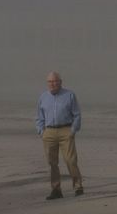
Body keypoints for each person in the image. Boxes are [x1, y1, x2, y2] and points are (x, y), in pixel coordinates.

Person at [35, 71, 84, 199]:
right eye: (50, 81)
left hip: (65, 130)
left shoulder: (69, 95)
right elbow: (39, 117)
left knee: (70, 160)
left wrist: (73, 130)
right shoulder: (43, 97)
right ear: (47, 83)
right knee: (52, 163)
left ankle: (78, 187)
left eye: (55, 81)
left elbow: (77, 115)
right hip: (49, 132)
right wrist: (41, 131)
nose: (53, 84)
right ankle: (56, 190)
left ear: (60, 82)